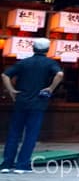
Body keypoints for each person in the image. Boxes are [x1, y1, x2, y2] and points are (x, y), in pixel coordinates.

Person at [0, 38, 63, 174]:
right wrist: (51, 88)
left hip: (21, 101)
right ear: (47, 49)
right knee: (30, 134)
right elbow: (59, 74)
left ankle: (6, 164)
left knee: (14, 133)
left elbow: (5, 75)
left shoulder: (24, 63)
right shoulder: (50, 63)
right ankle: (22, 165)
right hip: (38, 103)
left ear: (33, 48)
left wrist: (11, 90)